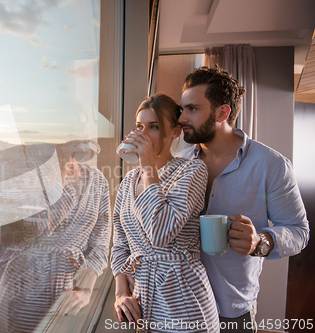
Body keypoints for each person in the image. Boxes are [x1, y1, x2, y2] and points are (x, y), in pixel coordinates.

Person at [177, 66, 310, 332]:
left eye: (192, 109)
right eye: (182, 109)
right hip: (179, 304)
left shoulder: (270, 165)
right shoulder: (178, 164)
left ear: (223, 113)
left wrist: (260, 241)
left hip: (231, 309)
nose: (181, 118)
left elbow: (299, 231)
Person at [111, 93, 220, 332]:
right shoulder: (129, 180)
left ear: (175, 132)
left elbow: (160, 233)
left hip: (182, 299)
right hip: (143, 299)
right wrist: (121, 292)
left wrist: (148, 166)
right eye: (139, 126)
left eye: (154, 126)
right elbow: (120, 243)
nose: (142, 134)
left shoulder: (191, 170)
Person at [0, 140, 112, 333]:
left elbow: (101, 242)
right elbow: (32, 231)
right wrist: (59, 179)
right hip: (23, 287)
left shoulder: (96, 180)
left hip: (70, 289)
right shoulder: (28, 177)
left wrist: (87, 287)